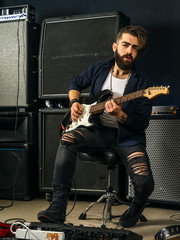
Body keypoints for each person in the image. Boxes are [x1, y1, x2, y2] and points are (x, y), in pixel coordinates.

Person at [38, 25, 154, 228]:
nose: (129, 51)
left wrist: (121, 114)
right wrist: (74, 103)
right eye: (126, 45)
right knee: (68, 137)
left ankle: (136, 206)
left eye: (134, 48)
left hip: (128, 138)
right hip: (97, 132)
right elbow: (75, 83)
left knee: (144, 182)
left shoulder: (143, 84)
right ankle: (57, 206)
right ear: (115, 46)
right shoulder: (99, 68)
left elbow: (141, 124)